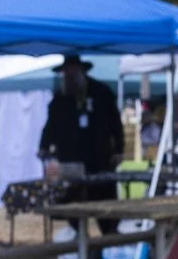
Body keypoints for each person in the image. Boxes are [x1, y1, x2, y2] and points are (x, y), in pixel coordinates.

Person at [38, 54, 124, 218]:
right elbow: (51, 125)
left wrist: (119, 148)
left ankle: (109, 234)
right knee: (71, 202)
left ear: (81, 71)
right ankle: (77, 233)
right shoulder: (60, 98)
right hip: (70, 157)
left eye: (72, 72)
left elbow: (115, 122)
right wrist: (43, 146)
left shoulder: (101, 92)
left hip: (99, 156)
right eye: (66, 74)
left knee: (104, 200)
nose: (69, 76)